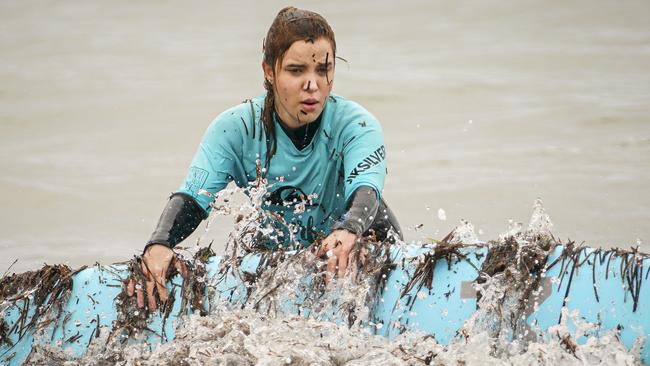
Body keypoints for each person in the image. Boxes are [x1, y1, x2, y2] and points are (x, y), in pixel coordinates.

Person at [128, 7, 402, 311]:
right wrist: (159, 244)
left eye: (322, 70)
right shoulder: (236, 129)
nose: (312, 84)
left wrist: (349, 231)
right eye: (296, 71)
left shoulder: (356, 125)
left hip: (367, 241)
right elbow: (194, 198)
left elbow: (366, 191)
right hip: (276, 257)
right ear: (269, 71)